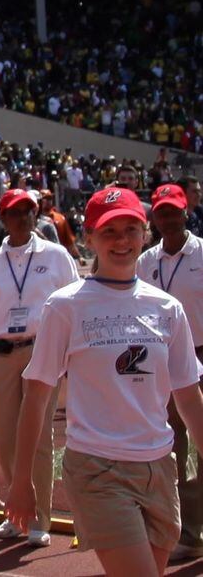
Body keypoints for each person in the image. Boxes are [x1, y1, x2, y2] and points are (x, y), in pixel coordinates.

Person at [7, 188, 203, 577]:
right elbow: (36, 396)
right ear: (89, 236)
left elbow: (188, 395)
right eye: (109, 231)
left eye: (131, 229)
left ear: (145, 233)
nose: (122, 240)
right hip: (98, 469)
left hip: (160, 467)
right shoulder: (65, 306)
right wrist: (21, 481)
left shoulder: (167, 308)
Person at [0, 188, 78, 545]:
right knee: (3, 439)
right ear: (3, 218)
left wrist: (72, 356)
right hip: (0, 355)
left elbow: (73, 304)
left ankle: (39, 521)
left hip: (42, 352)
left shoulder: (56, 255)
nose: (24, 217)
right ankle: (17, 512)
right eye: (16, 212)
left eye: (29, 211)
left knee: (39, 440)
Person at [137, 183, 203, 562]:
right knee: (175, 450)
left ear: (185, 212)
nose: (168, 219)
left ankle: (192, 531)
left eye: (174, 211)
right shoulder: (146, 262)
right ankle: (186, 532)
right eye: (162, 213)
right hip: (162, 365)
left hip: (200, 358)